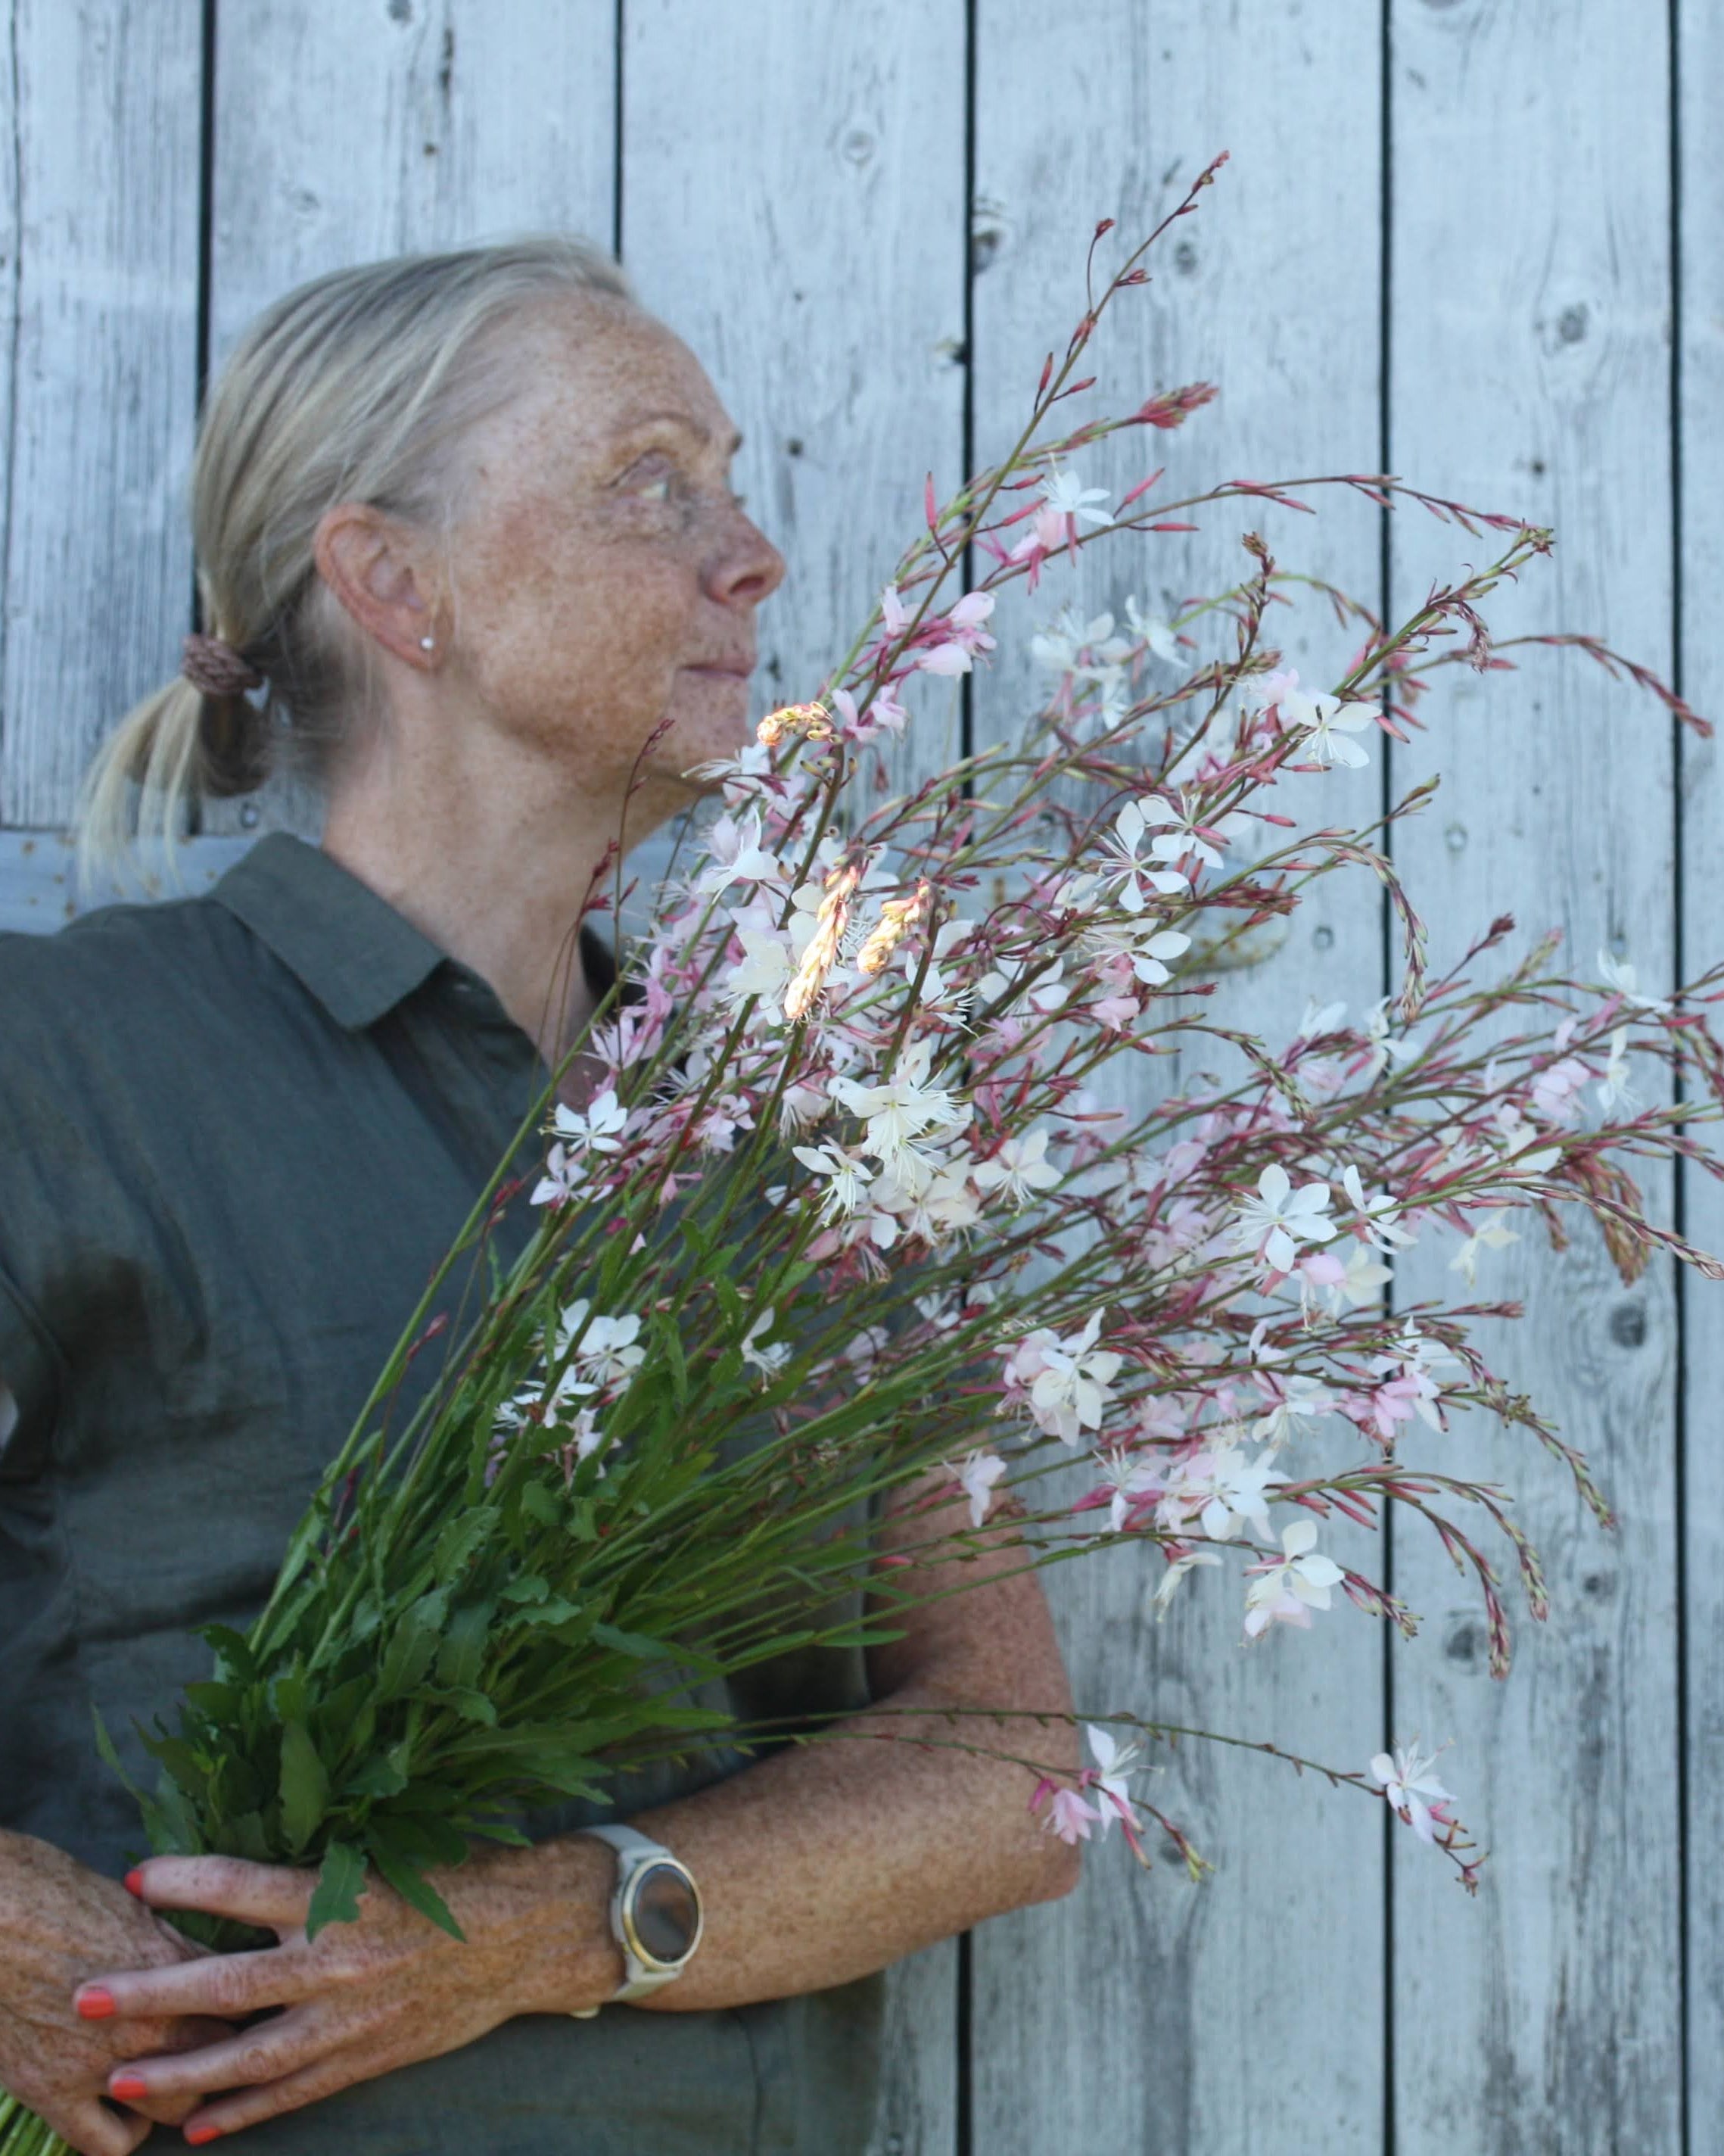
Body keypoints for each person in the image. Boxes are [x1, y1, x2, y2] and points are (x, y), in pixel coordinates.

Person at [0, 236, 1080, 2155]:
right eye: (648, 483)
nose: (749, 556)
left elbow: (1007, 1767)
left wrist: (552, 1924)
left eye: (730, 485)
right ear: (391, 581)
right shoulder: (67, 1063)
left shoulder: (799, 1147)